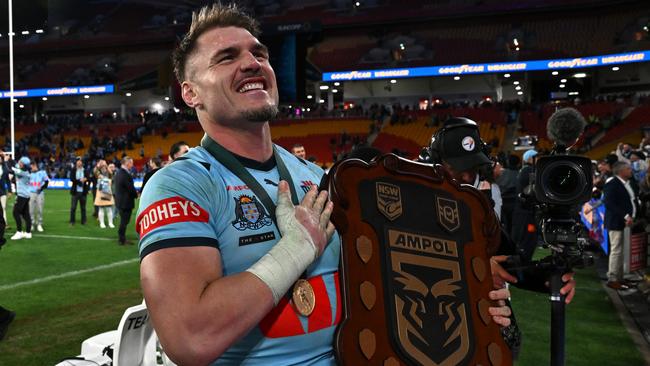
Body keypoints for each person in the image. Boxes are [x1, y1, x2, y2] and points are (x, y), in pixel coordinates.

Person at [138, 4, 512, 365]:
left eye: (259, 54)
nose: (252, 63)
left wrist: (474, 290)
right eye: (226, 57)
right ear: (190, 93)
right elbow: (190, 339)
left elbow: (385, 281)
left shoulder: (318, 177)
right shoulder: (180, 185)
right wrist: (295, 251)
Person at [603, 161, 637, 290]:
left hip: (623, 222)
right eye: (628, 169)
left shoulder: (625, 183)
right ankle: (612, 278)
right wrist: (625, 215)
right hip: (616, 222)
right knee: (616, 251)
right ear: (621, 171)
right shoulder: (612, 184)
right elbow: (609, 203)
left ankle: (619, 278)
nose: (630, 171)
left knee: (621, 251)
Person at [511, 149, 538, 262]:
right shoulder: (529, 171)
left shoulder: (524, 170)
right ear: (530, 159)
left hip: (522, 212)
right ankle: (522, 266)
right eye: (536, 157)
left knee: (523, 240)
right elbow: (533, 191)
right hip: (526, 213)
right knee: (527, 241)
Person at [114, 156, 137, 245]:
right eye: (131, 163)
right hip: (125, 202)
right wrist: (136, 195)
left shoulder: (120, 172)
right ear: (127, 163)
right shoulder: (124, 174)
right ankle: (122, 239)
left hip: (121, 201)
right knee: (124, 221)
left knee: (124, 221)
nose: (132, 165)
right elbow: (130, 188)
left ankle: (122, 238)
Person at [10, 157, 32, 240]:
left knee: (15, 212)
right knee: (26, 214)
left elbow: (12, 169)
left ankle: (19, 232)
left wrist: (6, 161)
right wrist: (11, 160)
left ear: (23, 164)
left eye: (20, 162)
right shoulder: (26, 170)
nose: (19, 162)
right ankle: (28, 232)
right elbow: (15, 165)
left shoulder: (23, 172)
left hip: (22, 195)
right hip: (26, 195)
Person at [28, 160, 49, 232]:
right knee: (30, 210)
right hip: (30, 193)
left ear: (35, 165)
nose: (31, 168)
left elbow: (46, 182)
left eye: (32, 166)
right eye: (30, 167)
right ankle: (31, 223)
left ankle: (39, 224)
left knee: (40, 209)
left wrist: (41, 188)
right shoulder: (28, 173)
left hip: (40, 193)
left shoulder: (42, 172)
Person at [69, 157, 90, 225]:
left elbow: (89, 179)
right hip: (75, 191)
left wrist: (86, 179)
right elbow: (71, 179)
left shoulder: (85, 170)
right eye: (78, 161)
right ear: (76, 162)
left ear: (82, 163)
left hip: (83, 192)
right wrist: (80, 181)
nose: (79, 162)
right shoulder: (73, 170)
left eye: (80, 161)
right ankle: (72, 221)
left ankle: (84, 221)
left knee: (83, 208)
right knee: (73, 207)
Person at [93, 164, 115, 229]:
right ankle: (102, 223)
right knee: (101, 208)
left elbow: (111, 173)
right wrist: (98, 165)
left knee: (109, 209)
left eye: (104, 168)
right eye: (102, 168)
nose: (104, 169)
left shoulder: (109, 174)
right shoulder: (98, 175)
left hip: (108, 193)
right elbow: (95, 171)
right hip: (100, 193)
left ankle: (110, 223)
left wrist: (106, 165)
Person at [0, 153, 10, 229]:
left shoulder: (5, 169)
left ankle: (5, 223)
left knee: (3, 208)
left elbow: (8, 180)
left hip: (2, 191)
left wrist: (9, 191)